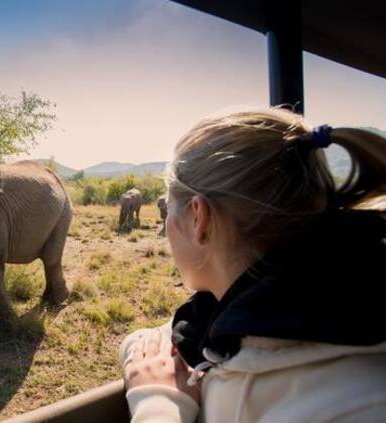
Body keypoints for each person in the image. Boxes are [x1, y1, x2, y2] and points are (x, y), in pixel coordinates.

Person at [119, 108, 386, 422]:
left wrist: (158, 405)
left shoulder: (352, 408)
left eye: (169, 205)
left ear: (198, 218)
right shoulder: (250, 317)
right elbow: (142, 340)